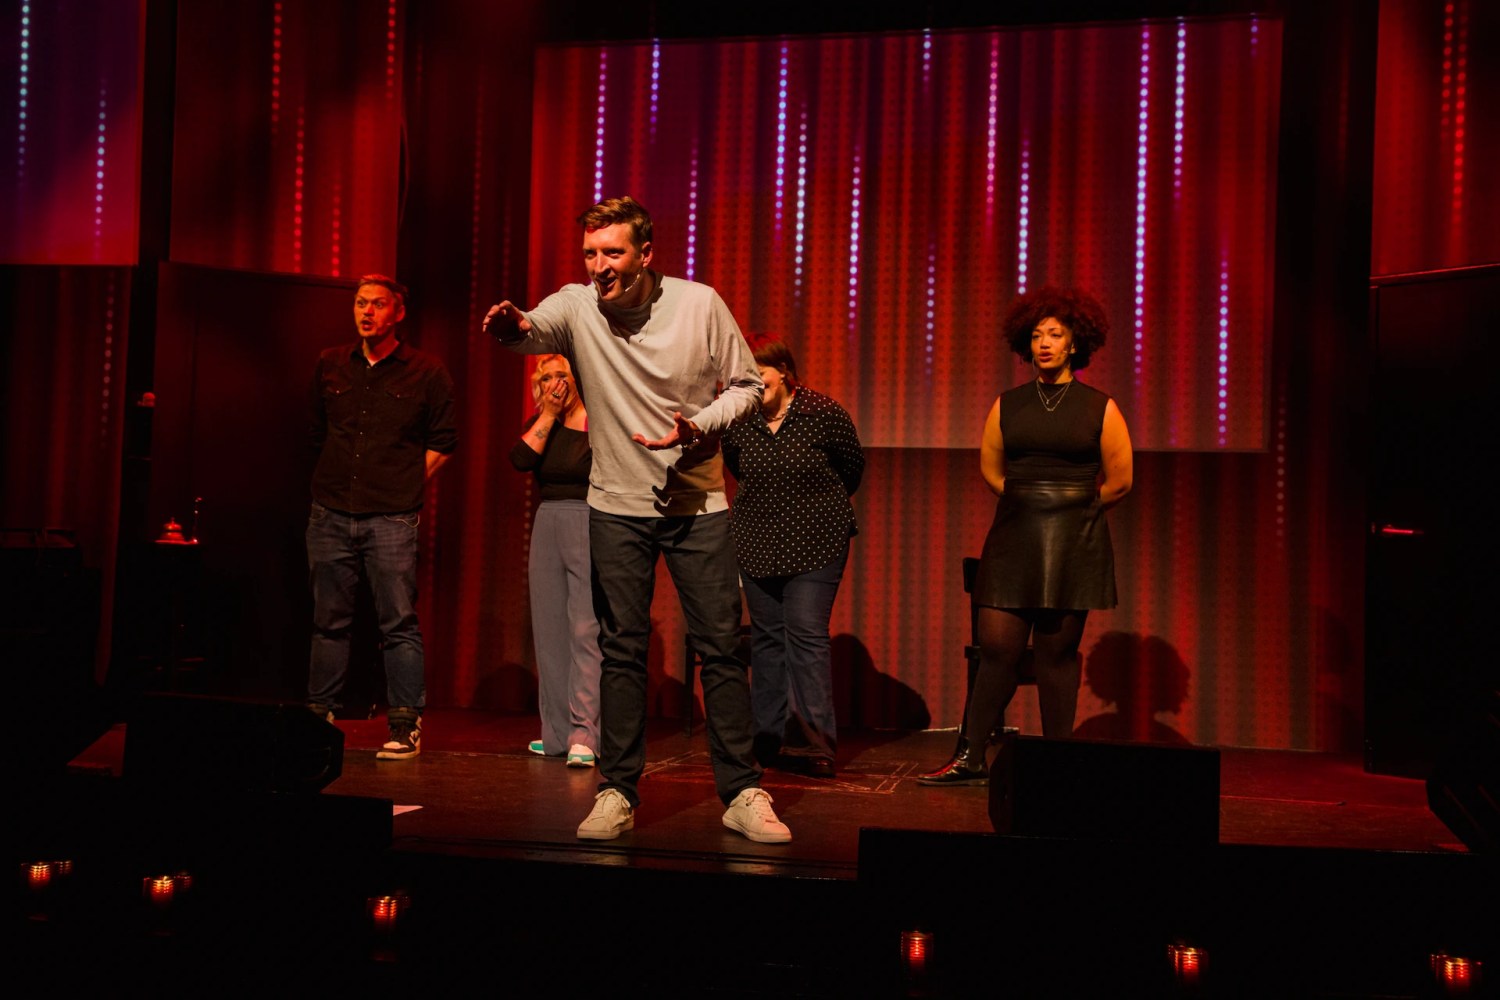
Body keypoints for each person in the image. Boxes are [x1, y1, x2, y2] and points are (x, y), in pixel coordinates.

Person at [484, 196, 792, 843]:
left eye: (613, 253)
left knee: (720, 649)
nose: (599, 266)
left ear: (646, 254)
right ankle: (618, 790)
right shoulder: (575, 305)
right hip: (614, 507)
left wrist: (700, 426)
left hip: (696, 505)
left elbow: (747, 385)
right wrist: (511, 325)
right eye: (591, 253)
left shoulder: (699, 304)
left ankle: (741, 791)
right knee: (620, 651)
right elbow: (531, 332)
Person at [920, 286, 1132, 785]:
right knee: (998, 650)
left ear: (1075, 344)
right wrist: (1029, 501)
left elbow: (1120, 480)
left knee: (1056, 655)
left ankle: (1057, 758)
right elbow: (992, 470)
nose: (1044, 344)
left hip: (1075, 541)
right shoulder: (1007, 405)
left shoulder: (1100, 407)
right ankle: (971, 756)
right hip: (1015, 536)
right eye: (1036, 335)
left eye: (1055, 335)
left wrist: (1072, 508)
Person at [307, 274, 457, 760]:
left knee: (398, 623)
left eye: (376, 305)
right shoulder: (331, 363)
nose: (365, 312)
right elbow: (314, 431)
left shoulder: (426, 372)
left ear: (397, 313)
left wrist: (405, 489)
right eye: (359, 303)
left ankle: (405, 723)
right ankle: (317, 717)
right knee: (329, 621)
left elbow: (443, 442)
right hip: (329, 511)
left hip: (391, 516)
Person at [722, 335, 864, 779]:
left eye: (757, 371)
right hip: (758, 541)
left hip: (817, 540)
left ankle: (815, 744)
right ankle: (767, 738)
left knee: (805, 633)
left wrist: (809, 506)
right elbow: (736, 467)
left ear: (782, 371)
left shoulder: (823, 414)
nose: (751, 380)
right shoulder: (739, 419)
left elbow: (851, 469)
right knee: (766, 641)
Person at [509, 354, 602, 767]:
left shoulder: (597, 419)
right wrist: (547, 412)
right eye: (546, 378)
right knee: (549, 629)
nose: (554, 384)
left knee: (585, 629)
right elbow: (521, 460)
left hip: (588, 519)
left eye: (561, 376)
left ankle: (585, 733)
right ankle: (557, 733)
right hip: (548, 520)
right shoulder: (541, 423)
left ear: (577, 377)